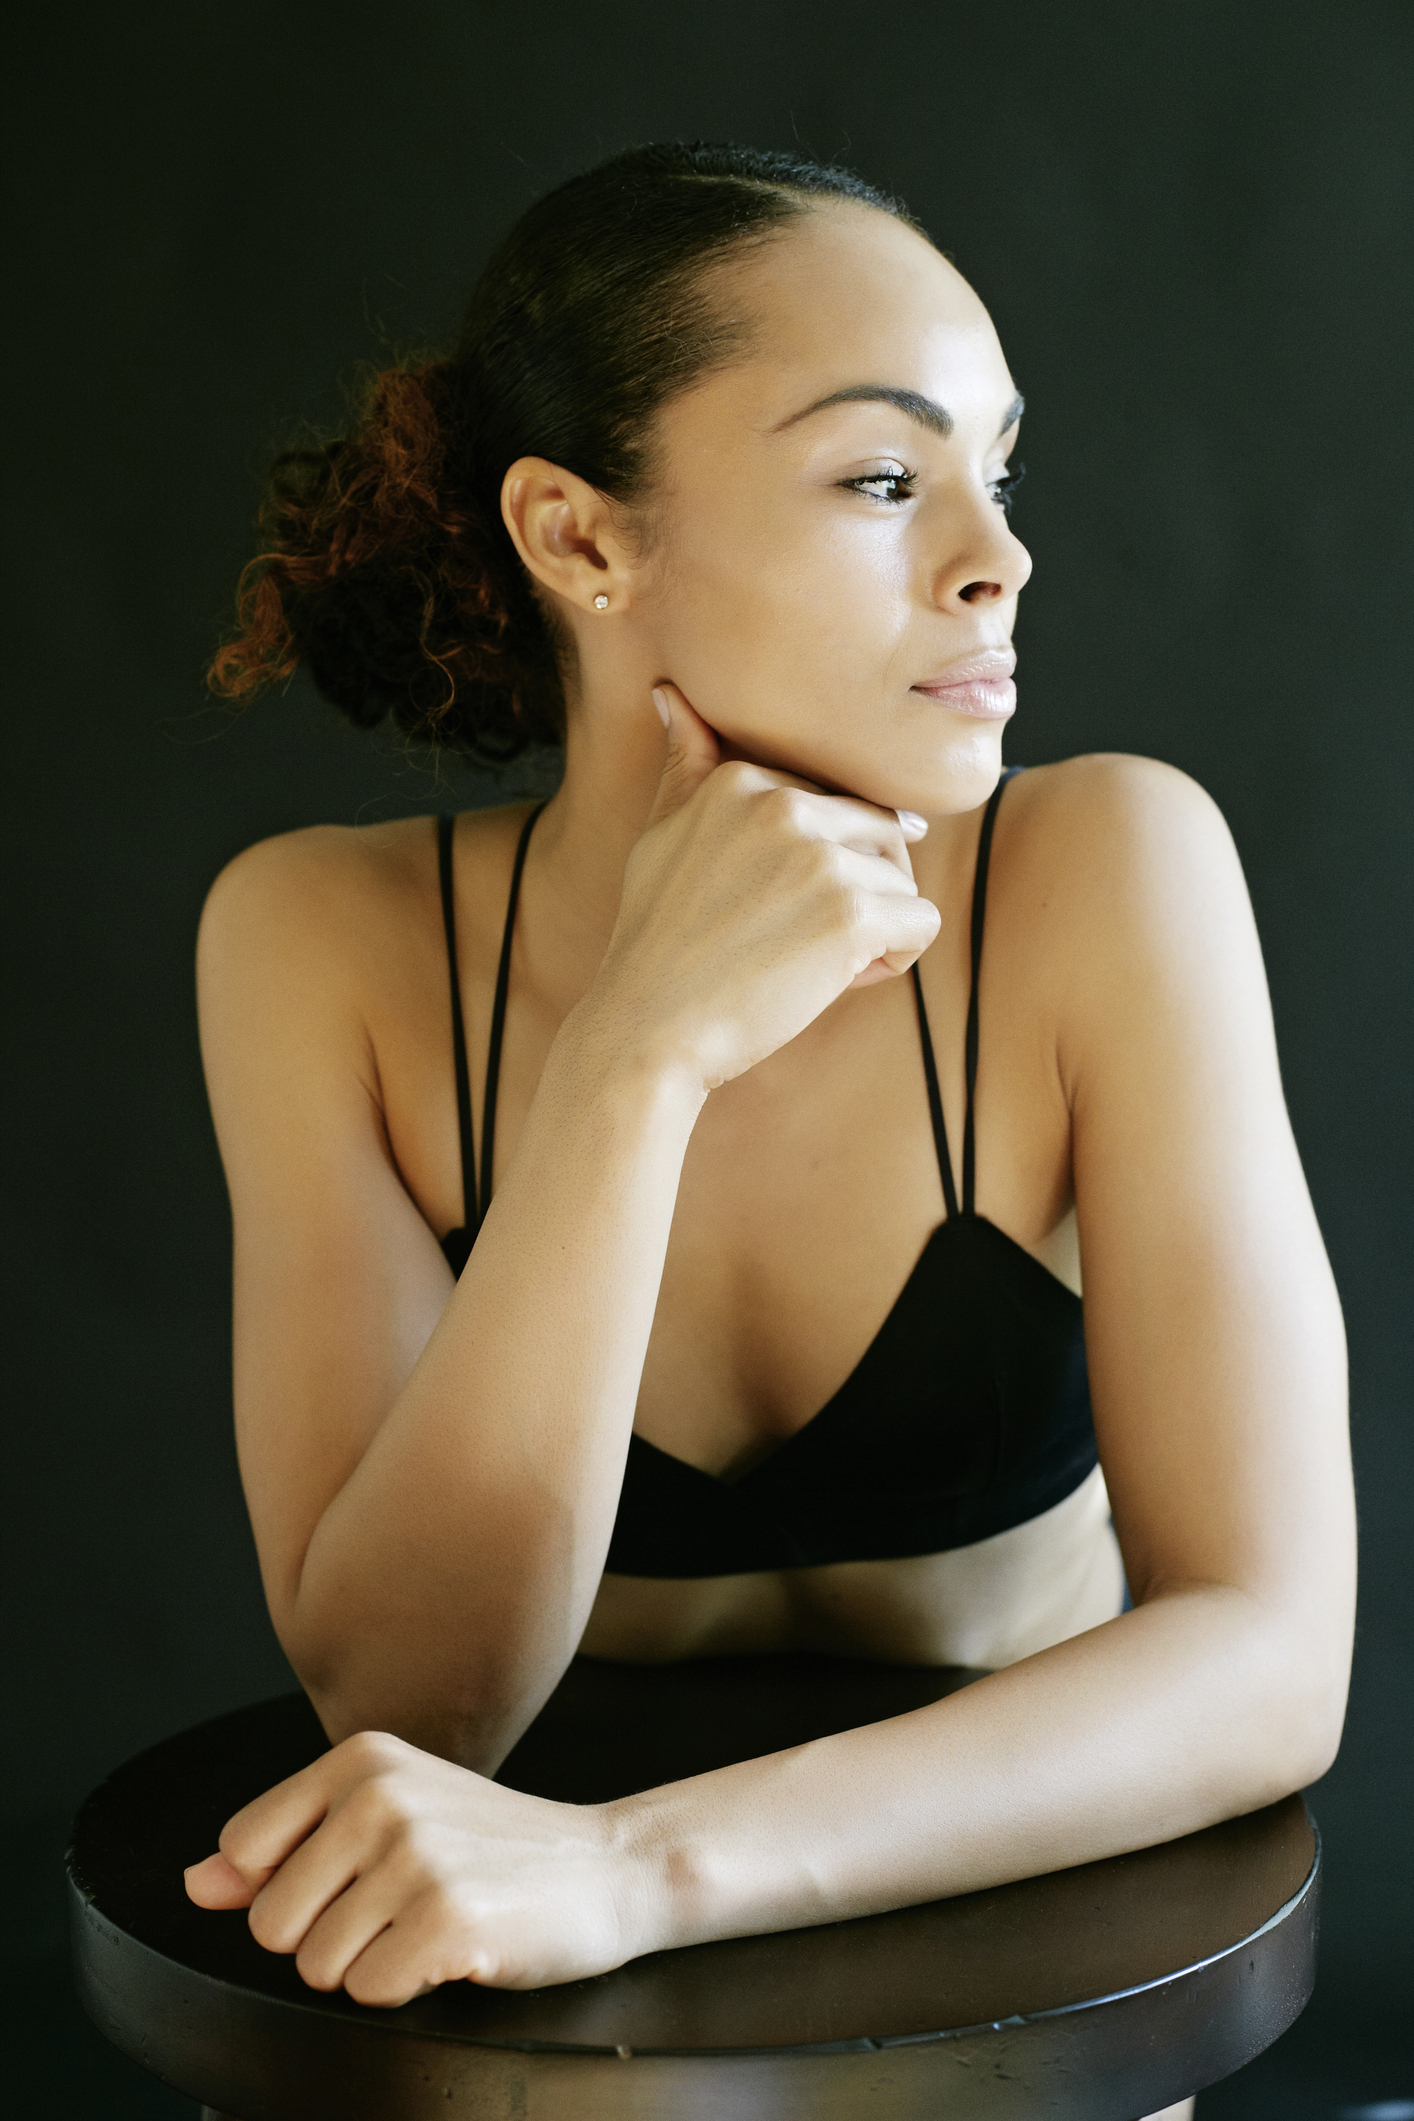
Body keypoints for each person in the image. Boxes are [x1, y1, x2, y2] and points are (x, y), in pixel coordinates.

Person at [183, 143, 1352, 2117]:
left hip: (1012, 1963)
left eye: (999, 468)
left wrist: (636, 1865)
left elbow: (1263, 1656)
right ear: (574, 536)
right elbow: (408, 1693)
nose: (996, 555)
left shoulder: (1099, 874)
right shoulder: (325, 940)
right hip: (532, 2003)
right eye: (884, 479)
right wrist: (632, 1055)